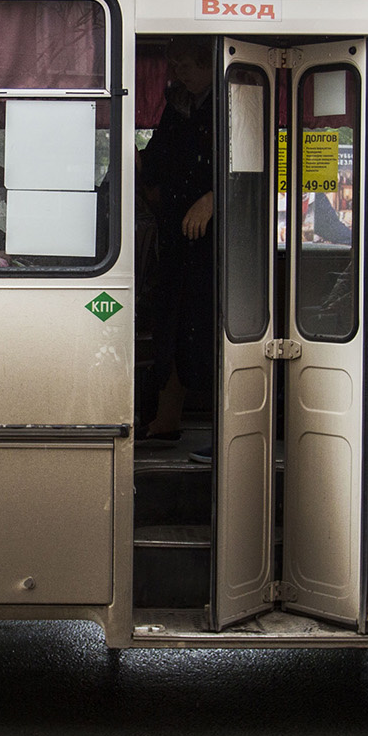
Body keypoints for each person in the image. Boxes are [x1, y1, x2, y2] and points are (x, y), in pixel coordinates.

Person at [136, 36, 216, 445]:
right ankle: (167, 418)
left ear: (208, 62)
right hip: (176, 234)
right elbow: (157, 161)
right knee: (170, 326)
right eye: (177, 66)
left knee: (204, 331)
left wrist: (214, 198)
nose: (181, 73)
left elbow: (253, 168)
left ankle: (229, 434)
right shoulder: (178, 107)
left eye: (188, 64)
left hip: (219, 244)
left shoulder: (236, 99)